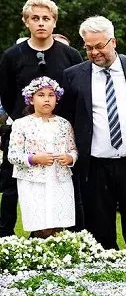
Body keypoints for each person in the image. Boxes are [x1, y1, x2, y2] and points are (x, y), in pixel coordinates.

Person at [62, 16, 126, 251]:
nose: (94, 52)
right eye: (88, 47)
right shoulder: (73, 75)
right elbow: (70, 115)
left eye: (99, 46)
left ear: (113, 41)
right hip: (94, 164)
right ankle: (103, 269)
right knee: (99, 224)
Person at [0, 0, 83, 237]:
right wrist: (27, 123)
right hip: (25, 133)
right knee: (15, 187)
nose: (41, 23)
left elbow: (77, 93)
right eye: (35, 18)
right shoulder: (12, 56)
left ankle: (70, 234)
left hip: (62, 133)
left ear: (54, 22)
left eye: (46, 18)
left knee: (66, 186)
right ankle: (10, 234)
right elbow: (6, 94)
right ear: (26, 22)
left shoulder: (70, 56)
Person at [8, 77, 77, 237]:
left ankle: (58, 254)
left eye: (51, 95)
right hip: (33, 181)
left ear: (57, 99)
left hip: (60, 180)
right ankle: (40, 254)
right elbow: (13, 155)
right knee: (41, 223)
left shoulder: (64, 124)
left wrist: (70, 158)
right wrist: (34, 159)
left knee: (58, 222)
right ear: (30, 99)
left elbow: (73, 150)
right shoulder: (21, 124)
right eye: (41, 95)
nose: (46, 99)